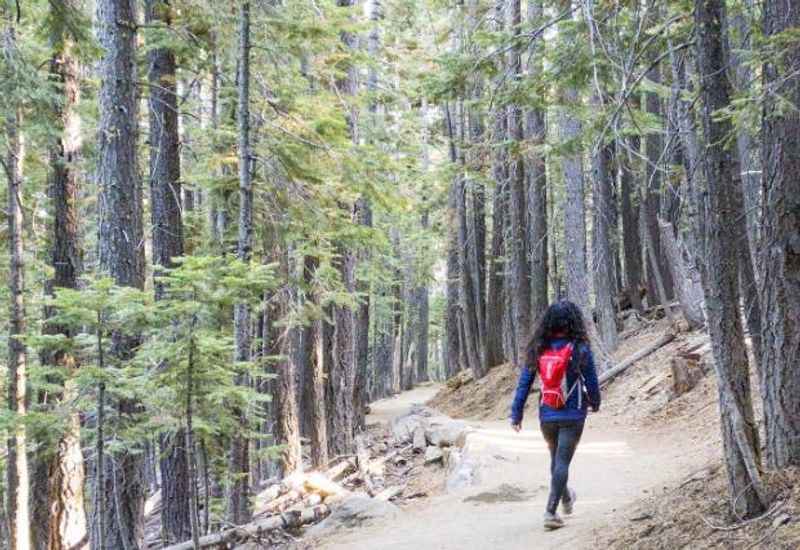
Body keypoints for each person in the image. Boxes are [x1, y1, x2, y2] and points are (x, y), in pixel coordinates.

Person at [510, 300, 601, 531]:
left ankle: (567, 498)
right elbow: (591, 380)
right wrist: (595, 402)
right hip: (572, 414)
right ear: (574, 321)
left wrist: (516, 413)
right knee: (562, 461)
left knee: (556, 458)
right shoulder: (580, 348)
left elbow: (524, 383)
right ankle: (550, 511)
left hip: (547, 414)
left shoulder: (539, 348)